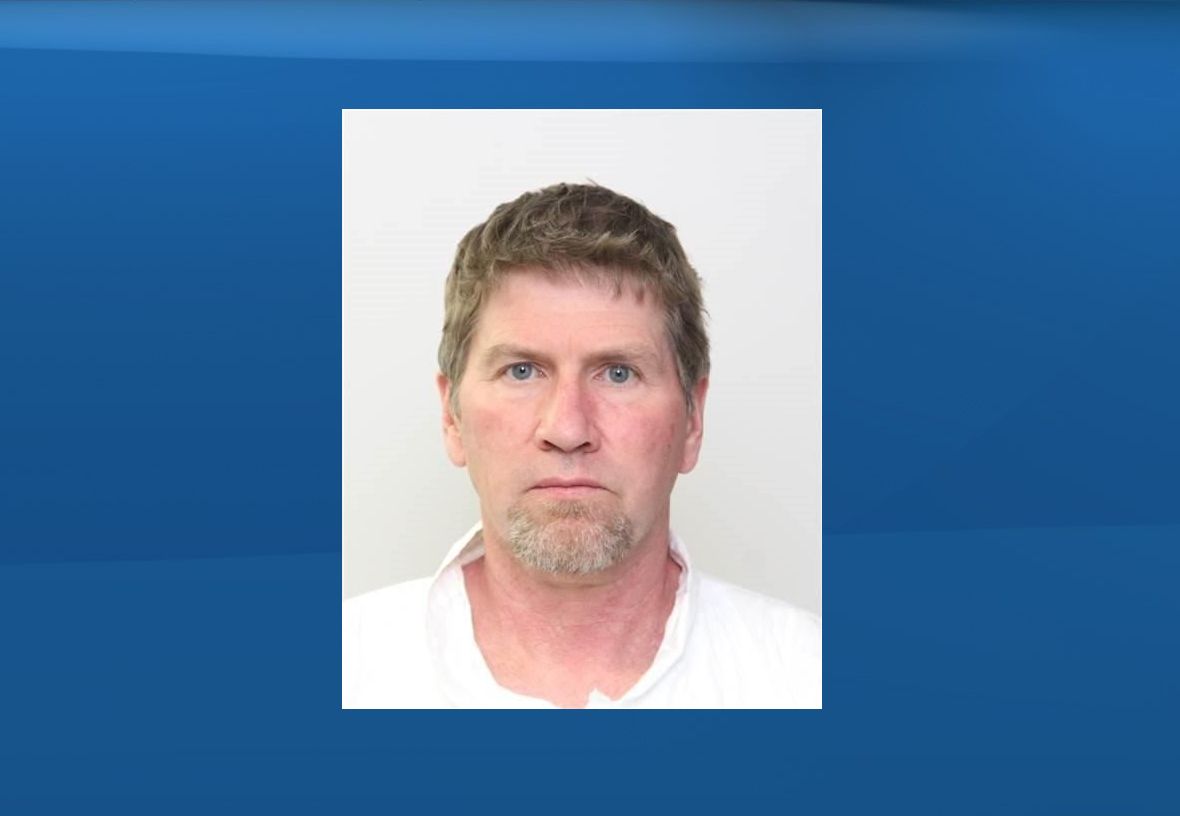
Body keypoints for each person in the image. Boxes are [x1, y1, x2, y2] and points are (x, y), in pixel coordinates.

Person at [343, 182, 820, 708]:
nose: (568, 429)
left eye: (618, 373)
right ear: (451, 417)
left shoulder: (808, 677)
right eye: (521, 371)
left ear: (692, 419)